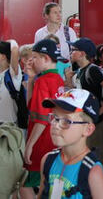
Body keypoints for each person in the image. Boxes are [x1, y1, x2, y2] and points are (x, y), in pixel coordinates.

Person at [38, 88, 103, 199]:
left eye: (66, 121)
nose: (55, 125)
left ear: (88, 129)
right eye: (55, 117)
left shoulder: (93, 171)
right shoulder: (48, 160)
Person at [21, 39, 64, 199]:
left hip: (42, 144)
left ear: (45, 59)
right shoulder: (57, 79)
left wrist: (30, 145)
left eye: (35, 58)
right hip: (53, 142)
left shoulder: (43, 81)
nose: (31, 62)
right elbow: (31, 106)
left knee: (26, 186)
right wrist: (31, 79)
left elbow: (41, 119)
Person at [65, 37, 103, 164]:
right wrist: (69, 81)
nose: (70, 53)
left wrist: (100, 111)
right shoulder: (79, 71)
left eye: (73, 50)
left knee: (96, 155)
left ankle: (100, 179)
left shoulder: (93, 70)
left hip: (94, 120)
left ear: (82, 54)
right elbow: (78, 93)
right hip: (85, 118)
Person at [0, 40, 22, 124]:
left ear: (3, 56)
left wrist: (11, 41)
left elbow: (15, 49)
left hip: (8, 126)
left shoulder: (12, 74)